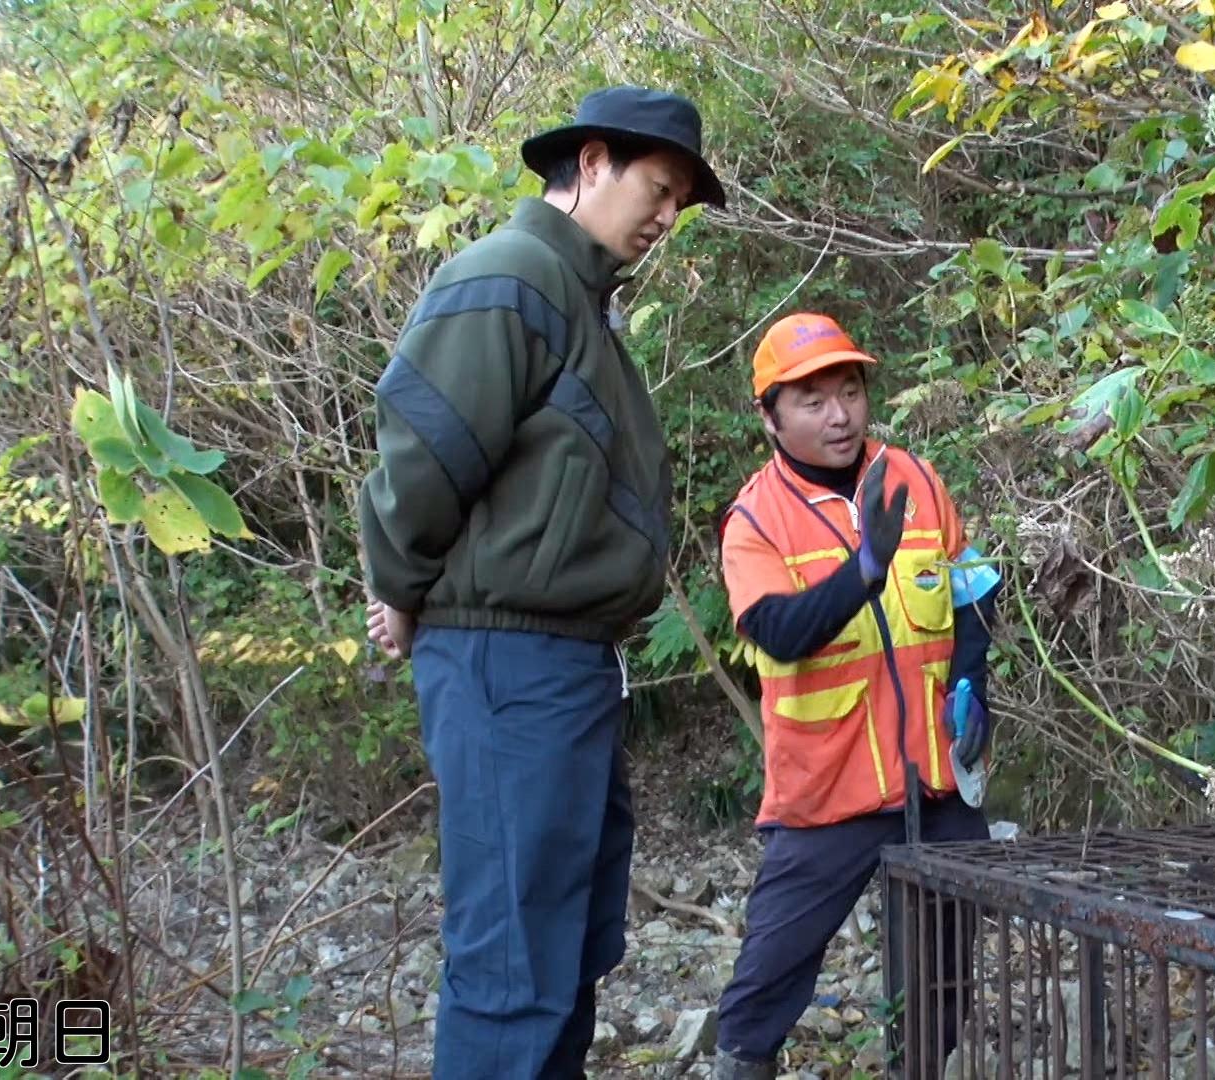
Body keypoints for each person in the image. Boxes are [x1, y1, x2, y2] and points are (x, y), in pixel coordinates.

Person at [357, 85, 725, 1079]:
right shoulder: (510, 277)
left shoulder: (580, 302)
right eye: (658, 187)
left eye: (681, 202)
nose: (665, 216)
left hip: (561, 666)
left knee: (567, 948)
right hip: (505, 660)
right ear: (592, 161)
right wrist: (400, 585)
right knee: (514, 961)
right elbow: (425, 454)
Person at [709, 313, 1003, 1078]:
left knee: (943, 976)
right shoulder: (754, 520)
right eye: (812, 401)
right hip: (826, 787)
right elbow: (777, 630)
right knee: (770, 972)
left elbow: (971, 588)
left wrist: (973, 680)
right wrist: (861, 569)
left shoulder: (916, 478)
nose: (839, 415)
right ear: (769, 417)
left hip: (936, 778)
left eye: (849, 391)